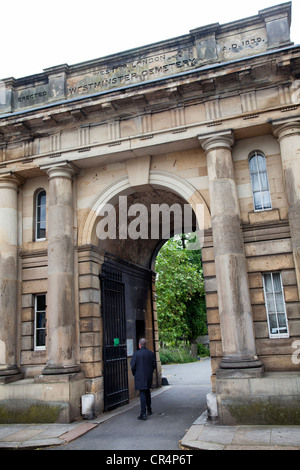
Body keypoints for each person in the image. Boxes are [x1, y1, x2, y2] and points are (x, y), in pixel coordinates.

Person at [130, 338, 156, 420]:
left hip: (140, 376)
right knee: (147, 392)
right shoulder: (150, 353)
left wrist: (134, 373)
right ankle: (149, 409)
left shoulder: (136, 354)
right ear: (145, 344)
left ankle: (143, 413)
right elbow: (154, 365)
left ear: (139, 345)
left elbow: (133, 366)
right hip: (148, 376)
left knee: (142, 394)